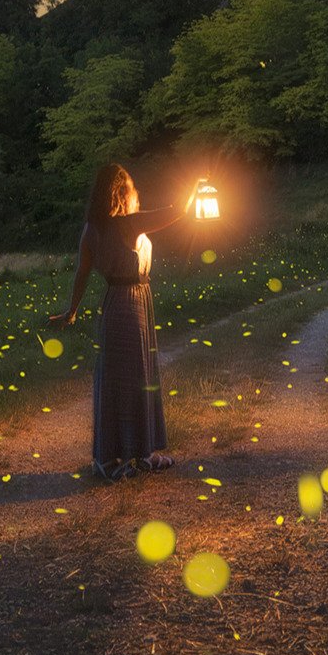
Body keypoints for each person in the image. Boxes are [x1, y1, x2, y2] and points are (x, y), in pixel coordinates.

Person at [50, 164, 199, 482]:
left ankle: (141, 453)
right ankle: (108, 459)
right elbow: (175, 212)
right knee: (130, 380)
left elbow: (82, 272)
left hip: (119, 303)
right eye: (132, 186)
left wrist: (71, 310)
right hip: (130, 305)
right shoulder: (128, 224)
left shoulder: (92, 228)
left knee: (131, 378)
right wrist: (197, 188)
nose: (137, 191)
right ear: (120, 192)